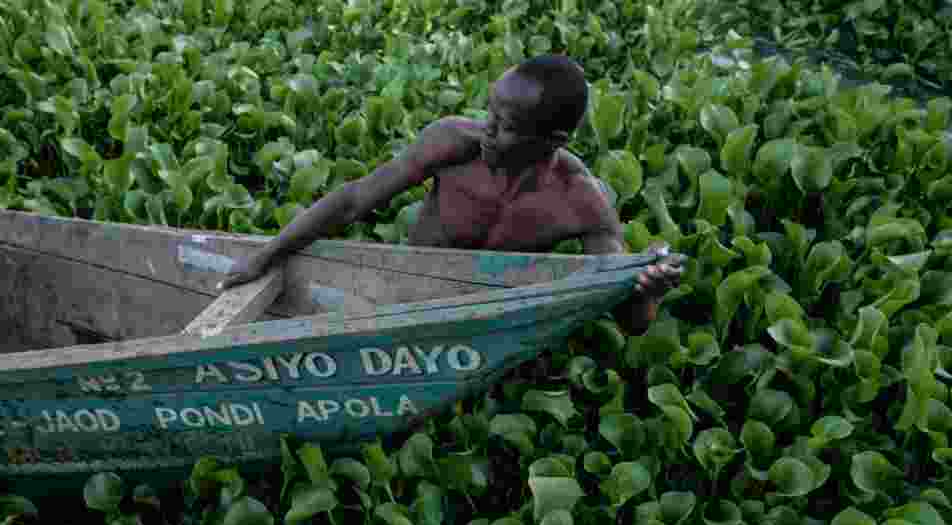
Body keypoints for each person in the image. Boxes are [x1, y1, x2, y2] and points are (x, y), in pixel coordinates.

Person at [220, 54, 683, 336]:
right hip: (407, 294)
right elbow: (353, 200)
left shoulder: (580, 200)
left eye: (506, 127)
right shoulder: (452, 142)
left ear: (553, 140)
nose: (487, 131)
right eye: (490, 114)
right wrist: (267, 254)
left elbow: (632, 321)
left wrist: (647, 291)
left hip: (491, 314)